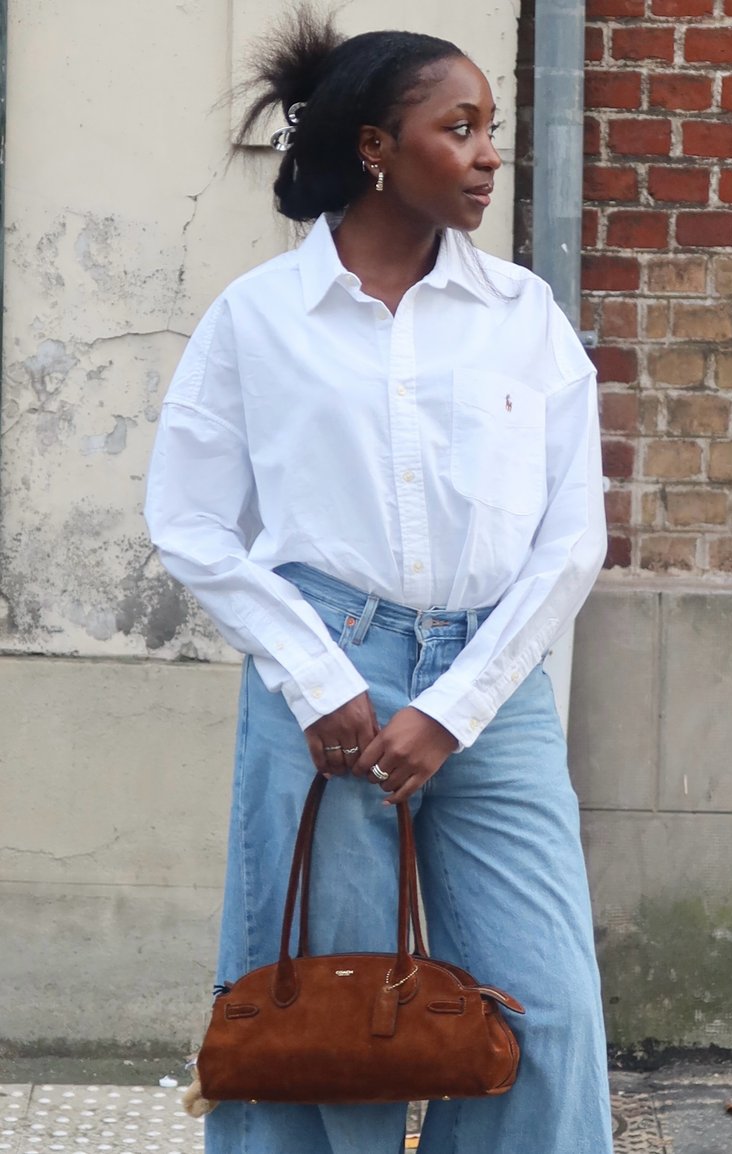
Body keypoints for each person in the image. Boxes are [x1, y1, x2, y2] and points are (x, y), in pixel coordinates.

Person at [145, 8, 613, 1153]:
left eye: (492, 130)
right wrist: (315, 675)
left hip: (490, 689)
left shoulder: (522, 317)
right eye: (459, 129)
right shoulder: (259, 320)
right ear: (374, 148)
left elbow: (572, 537)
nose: (488, 155)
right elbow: (189, 517)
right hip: (325, 683)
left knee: (541, 1010)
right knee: (314, 1011)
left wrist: (453, 707)